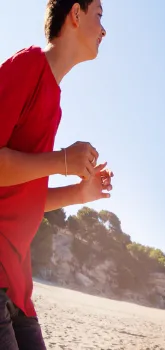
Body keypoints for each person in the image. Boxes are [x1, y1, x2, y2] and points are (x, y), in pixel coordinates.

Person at [0, 1, 110, 348]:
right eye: (99, 16)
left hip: (18, 285)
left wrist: (79, 194)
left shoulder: (55, 100)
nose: (104, 30)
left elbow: (24, 195)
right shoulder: (27, 64)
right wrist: (62, 160)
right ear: (75, 14)